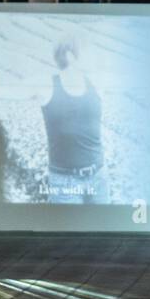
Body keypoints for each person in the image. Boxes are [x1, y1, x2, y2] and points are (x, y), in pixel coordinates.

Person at [42, 35, 106, 204]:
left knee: (104, 229)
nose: (94, 56)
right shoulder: (47, 86)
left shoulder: (97, 82)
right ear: (70, 56)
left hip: (99, 177)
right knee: (66, 230)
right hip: (64, 183)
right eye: (88, 52)